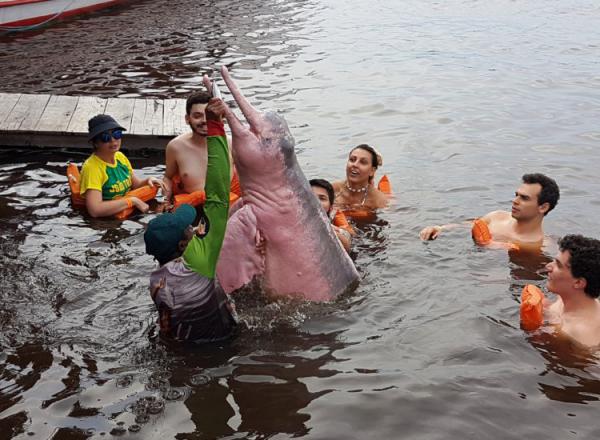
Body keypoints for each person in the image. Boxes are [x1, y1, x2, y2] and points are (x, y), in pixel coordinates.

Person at [144, 98, 237, 343]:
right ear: (184, 246)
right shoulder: (199, 260)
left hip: (182, 344)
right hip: (220, 344)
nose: (194, 228)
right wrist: (217, 127)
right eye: (189, 229)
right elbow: (217, 195)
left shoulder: (156, 280)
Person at [419, 173, 560, 249]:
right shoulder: (496, 217)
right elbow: (469, 224)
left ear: (543, 207)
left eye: (524, 198)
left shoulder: (537, 246)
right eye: (516, 195)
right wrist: (441, 228)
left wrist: (494, 247)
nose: (515, 201)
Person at [79, 114, 164, 218]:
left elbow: (136, 185)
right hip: (107, 222)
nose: (113, 140)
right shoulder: (92, 168)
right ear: (95, 143)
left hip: (128, 211)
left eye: (117, 134)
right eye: (105, 137)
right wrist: (131, 201)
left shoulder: (120, 157)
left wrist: (149, 180)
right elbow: (95, 210)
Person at [162, 90, 235, 203]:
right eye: (197, 116)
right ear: (187, 119)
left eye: (209, 116)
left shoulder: (231, 144)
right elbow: (168, 177)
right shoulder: (175, 147)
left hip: (224, 207)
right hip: (191, 207)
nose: (205, 121)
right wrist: (165, 199)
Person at [544, 235, 600, 347]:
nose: (548, 266)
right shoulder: (564, 297)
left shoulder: (582, 335)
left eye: (558, 265)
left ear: (578, 283)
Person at [332, 144, 388, 212]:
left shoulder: (379, 200)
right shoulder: (333, 190)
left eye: (363, 162)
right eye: (352, 160)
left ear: (372, 171)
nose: (355, 165)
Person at [310, 178, 352, 252]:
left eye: (322, 198)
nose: (315, 201)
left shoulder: (336, 230)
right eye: (311, 196)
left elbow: (346, 245)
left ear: (330, 207)